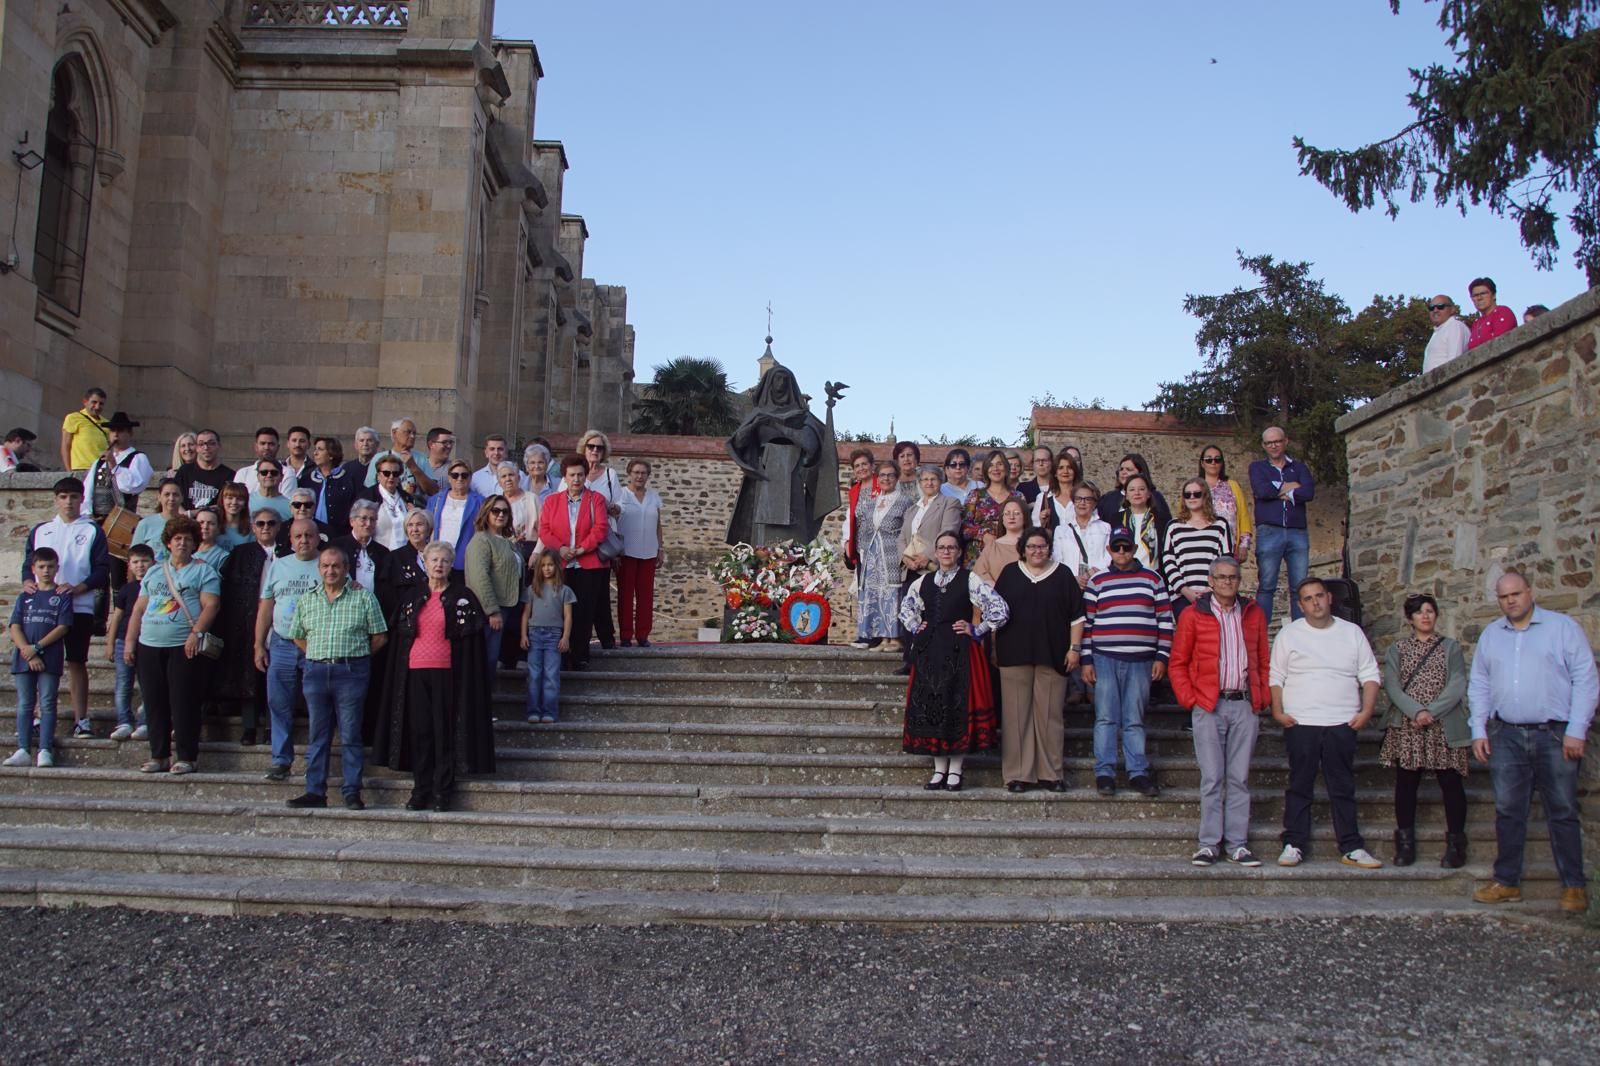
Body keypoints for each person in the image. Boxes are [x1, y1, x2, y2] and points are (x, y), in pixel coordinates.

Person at [1468, 571, 1597, 913]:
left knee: (1564, 809)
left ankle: (1573, 885)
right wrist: (1478, 729)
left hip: (1554, 734)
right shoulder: (1492, 635)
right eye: (1503, 596)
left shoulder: (1562, 628)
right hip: (1506, 733)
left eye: (1516, 594)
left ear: (1530, 592)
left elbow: (1585, 677)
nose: (1510, 601)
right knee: (1508, 809)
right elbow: (1479, 682)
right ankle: (1507, 881)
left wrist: (1577, 728)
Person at [373, 541, 496, 812]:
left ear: (451, 565)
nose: (438, 565)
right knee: (420, 732)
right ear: (425, 564)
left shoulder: (463, 596)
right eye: (434, 560)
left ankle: (442, 792)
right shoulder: (412, 595)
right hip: (415, 672)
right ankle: (421, 789)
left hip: (448, 673)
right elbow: (400, 637)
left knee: (444, 732)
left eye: (444, 560)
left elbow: (472, 643)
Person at [1270, 577, 1383, 869]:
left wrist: (1367, 710)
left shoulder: (1351, 632)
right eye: (1308, 598)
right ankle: (1293, 843)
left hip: (1341, 720)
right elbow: (1276, 676)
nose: (1315, 602)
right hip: (1302, 721)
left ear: (1329, 597)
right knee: (1300, 784)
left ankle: (1351, 846)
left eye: (1319, 596)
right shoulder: (1290, 634)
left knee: (1342, 786)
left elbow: (1370, 675)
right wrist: (1278, 711)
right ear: (1300, 604)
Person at [1168, 556, 1270, 867]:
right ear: (1211, 581)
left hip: (1243, 704)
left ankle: (1238, 844)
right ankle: (1209, 843)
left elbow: (1263, 659)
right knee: (1212, 777)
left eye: (1233, 577)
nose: (1227, 582)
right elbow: (1178, 662)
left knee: (1239, 777)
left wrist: (1261, 698)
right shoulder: (1192, 615)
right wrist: (1191, 699)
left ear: (1239, 581)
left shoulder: (1253, 614)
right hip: (1209, 704)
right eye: (1221, 577)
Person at [900, 531, 1009, 792]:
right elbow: (905, 609)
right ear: (936, 553)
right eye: (942, 548)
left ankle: (956, 771)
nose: (946, 552)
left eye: (951, 548)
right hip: (929, 653)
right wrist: (917, 626)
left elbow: (1000, 608)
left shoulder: (969, 579)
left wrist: (978, 629)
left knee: (955, 705)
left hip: (959, 652)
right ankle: (939, 770)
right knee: (933, 707)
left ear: (959, 552)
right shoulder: (923, 582)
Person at [284, 546, 388, 811]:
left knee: (351, 734)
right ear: (319, 569)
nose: (330, 571)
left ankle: (352, 791)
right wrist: (320, 655)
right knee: (318, 734)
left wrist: (355, 657)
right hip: (316, 672)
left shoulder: (363, 598)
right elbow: (297, 634)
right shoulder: (308, 599)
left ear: (346, 569)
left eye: (336, 566)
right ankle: (314, 791)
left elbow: (379, 636)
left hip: (350, 672)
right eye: (326, 566)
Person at [123, 515, 221, 775]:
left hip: (182, 644)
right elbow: (138, 609)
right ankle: (159, 754)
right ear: (168, 543)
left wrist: (196, 633)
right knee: (154, 702)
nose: (182, 543)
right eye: (177, 539)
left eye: (188, 539)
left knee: (183, 701)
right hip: (149, 644)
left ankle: (187, 756)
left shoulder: (203, 570)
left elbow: (211, 604)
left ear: (195, 543)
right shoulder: (155, 571)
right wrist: (130, 642)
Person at [1379, 593, 1470, 869]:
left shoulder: (1450, 647)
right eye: (1419, 612)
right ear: (1410, 618)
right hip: (1409, 724)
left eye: (1430, 611)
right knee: (1406, 783)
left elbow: (1457, 682)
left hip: (1443, 724)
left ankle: (1456, 843)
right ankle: (1405, 843)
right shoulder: (1398, 649)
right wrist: (1416, 711)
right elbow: (1392, 685)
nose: (1426, 616)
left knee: (1451, 783)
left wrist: (1433, 710)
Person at [1081, 527, 1173, 797]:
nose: (1122, 552)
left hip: (1141, 659)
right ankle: (1105, 772)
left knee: (1134, 719)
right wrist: (1086, 660)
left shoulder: (1152, 579)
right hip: (1105, 657)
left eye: (1127, 547)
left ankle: (1138, 771)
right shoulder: (1098, 583)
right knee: (1106, 717)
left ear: (1134, 549)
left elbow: (1165, 621)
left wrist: (1162, 656)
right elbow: (1087, 624)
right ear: (1109, 550)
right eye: (1117, 547)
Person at [993, 529, 1085, 792]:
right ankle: (1017, 774)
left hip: (1053, 653)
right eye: (1031, 547)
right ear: (1023, 549)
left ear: (1049, 548)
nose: (1037, 551)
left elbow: (1077, 617)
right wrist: (993, 646)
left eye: (1042, 546)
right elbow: (995, 612)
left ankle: (1051, 773)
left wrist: (1074, 649)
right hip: (1014, 653)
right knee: (1016, 716)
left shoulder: (1063, 574)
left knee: (1049, 716)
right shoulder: (1010, 573)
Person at [22, 478, 109, 739]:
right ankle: (39, 716)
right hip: (43, 607)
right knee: (42, 662)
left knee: (76, 661)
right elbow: (29, 563)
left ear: (81, 499)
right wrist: (27, 580)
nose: (68, 502)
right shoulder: (42, 530)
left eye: (73, 496)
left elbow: (103, 569)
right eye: (62, 497)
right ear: (55, 499)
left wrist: (80, 587)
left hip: (77, 605)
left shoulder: (93, 530)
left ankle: (81, 719)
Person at [255, 518, 325, 783]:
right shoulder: (279, 565)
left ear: (317, 538)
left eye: (309, 535)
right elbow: (266, 607)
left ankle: (314, 761)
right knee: (278, 703)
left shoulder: (327, 563)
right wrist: (259, 644)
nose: (304, 540)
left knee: (317, 706)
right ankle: (280, 759)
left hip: (315, 646)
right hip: (282, 644)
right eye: (298, 536)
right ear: (291, 539)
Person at [215, 509, 284, 746]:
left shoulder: (287, 554)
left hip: (280, 622)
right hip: (246, 622)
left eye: (271, 523)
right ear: (253, 527)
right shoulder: (240, 554)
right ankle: (250, 726)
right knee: (249, 675)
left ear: (279, 526)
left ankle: (271, 726)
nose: (266, 527)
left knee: (276, 678)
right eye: (260, 523)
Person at [4, 548, 74, 768]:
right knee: (25, 704)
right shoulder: (25, 596)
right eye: (41, 567)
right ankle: (23, 749)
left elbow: (62, 627)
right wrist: (27, 650)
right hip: (24, 657)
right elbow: (15, 626)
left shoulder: (61, 596)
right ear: (33, 569)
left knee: (47, 703)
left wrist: (37, 648)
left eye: (50, 566)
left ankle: (45, 749)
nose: (46, 571)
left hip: (49, 657)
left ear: (56, 568)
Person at [538, 453, 609, 670]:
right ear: (565, 477)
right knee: (558, 610)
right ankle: (559, 656)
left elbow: (601, 529)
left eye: (580, 475)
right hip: (561, 564)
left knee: (584, 612)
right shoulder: (552, 501)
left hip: (588, 564)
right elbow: (545, 530)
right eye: (572, 475)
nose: (576, 479)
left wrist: (580, 549)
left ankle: (580, 656)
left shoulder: (595, 499)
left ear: (585, 476)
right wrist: (561, 549)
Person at [1249, 426, 1315, 626]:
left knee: (1299, 586)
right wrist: (1292, 487)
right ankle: (1260, 632)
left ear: (1285, 441)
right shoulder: (1257, 467)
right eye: (1269, 443)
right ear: (1263, 445)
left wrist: (1280, 490)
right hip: (1269, 530)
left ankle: (1300, 630)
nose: (1274, 446)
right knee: (1267, 584)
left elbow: (1309, 492)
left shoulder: (1299, 468)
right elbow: (1262, 490)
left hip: (1297, 531)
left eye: (1277, 441)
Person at [852, 462, 910, 653]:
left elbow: (908, 531)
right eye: (883, 475)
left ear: (897, 478)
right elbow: (863, 529)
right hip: (871, 554)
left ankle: (895, 638)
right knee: (874, 594)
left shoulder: (904, 501)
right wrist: (861, 553)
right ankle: (882, 637)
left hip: (892, 553)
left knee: (891, 595)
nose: (886, 479)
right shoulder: (872, 502)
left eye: (891, 475)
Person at [464, 493, 522, 681]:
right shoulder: (481, 540)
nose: (500, 514)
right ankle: (481, 707)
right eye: (495, 510)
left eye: (505, 511)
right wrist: (492, 611)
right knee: (487, 660)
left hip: (512, 607)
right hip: (492, 610)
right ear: (486, 513)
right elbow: (479, 577)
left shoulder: (506, 542)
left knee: (497, 659)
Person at [1162, 477, 1234, 620]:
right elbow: (1168, 561)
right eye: (1187, 494)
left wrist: (1212, 588)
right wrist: (1184, 590)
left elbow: (1226, 560)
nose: (1192, 497)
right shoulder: (1174, 526)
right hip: (1182, 596)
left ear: (1205, 495)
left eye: (1197, 494)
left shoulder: (1220, 525)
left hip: (1214, 594)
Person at [106, 543, 155, 742]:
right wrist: (110, 642)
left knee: (146, 685)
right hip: (121, 640)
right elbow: (117, 617)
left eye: (144, 561)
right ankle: (124, 721)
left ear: (153, 562)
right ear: (129, 565)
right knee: (123, 684)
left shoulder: (155, 587)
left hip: (147, 640)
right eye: (135, 562)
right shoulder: (126, 590)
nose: (140, 566)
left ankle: (144, 722)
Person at [580, 429, 623, 650]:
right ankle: (582, 636)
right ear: (584, 449)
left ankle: (606, 635)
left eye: (599, 447)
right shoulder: (575, 471)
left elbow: (618, 507)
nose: (595, 451)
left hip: (602, 539)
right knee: (580, 592)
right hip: (578, 539)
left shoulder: (610, 475)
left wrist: (608, 506)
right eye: (591, 447)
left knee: (600, 590)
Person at [522, 550, 575, 723]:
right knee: (534, 674)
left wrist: (565, 637)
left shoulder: (564, 590)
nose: (547, 568)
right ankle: (533, 710)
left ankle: (549, 712)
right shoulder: (532, 589)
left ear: (557, 567)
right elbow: (525, 614)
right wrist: (523, 634)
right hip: (535, 634)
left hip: (554, 636)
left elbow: (567, 616)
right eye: (543, 565)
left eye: (550, 565)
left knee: (551, 675)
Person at [616, 459, 665, 648]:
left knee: (645, 596)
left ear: (648, 476)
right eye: (636, 472)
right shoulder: (621, 494)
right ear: (629, 474)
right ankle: (626, 635)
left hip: (649, 552)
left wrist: (660, 548)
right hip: (627, 552)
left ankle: (643, 634)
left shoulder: (654, 497)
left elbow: (658, 524)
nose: (639, 476)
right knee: (626, 595)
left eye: (643, 473)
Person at [80, 411, 153, 520]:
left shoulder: (138, 458)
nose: (116, 434)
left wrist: (114, 465)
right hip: (97, 519)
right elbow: (87, 490)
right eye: (113, 431)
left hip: (122, 521)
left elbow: (133, 486)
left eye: (120, 430)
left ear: (130, 434)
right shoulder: (99, 462)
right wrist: (87, 514)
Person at [960, 450, 1024, 568]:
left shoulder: (1018, 496)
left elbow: (1025, 526)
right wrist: (983, 535)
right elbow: (964, 526)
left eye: (999, 464)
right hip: (978, 553)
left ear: (1006, 467)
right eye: (991, 465)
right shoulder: (975, 495)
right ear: (986, 469)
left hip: (1009, 552)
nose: (995, 468)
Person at [426, 458, 483, 575]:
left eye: (464, 475)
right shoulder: (435, 500)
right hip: (438, 560)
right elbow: (428, 527)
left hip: (464, 560)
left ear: (470, 477)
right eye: (455, 475)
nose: (460, 478)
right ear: (449, 477)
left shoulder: (480, 502)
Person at [1197, 447, 1252, 564]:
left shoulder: (1233, 486)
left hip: (1229, 547)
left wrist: (1244, 544)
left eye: (1217, 459)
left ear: (1222, 463)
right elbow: (1184, 515)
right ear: (1202, 463)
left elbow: (1243, 516)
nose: (1213, 463)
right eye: (1209, 460)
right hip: (1201, 546)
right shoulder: (1194, 487)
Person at [1052, 481, 1111, 585]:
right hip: (1070, 583)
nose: (1082, 503)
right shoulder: (1061, 530)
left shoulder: (1105, 528)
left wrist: (1092, 574)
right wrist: (1073, 578)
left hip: (1098, 581)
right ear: (1073, 501)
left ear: (1095, 503)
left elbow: (1108, 556)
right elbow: (1057, 559)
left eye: (1088, 499)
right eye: (1078, 499)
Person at [1095, 453, 1172, 529]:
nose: (1123, 472)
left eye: (1129, 469)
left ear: (1141, 472)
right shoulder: (1108, 499)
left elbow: (1165, 524)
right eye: (1121, 469)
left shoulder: (1155, 496)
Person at [364, 418, 435, 497]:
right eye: (408, 432)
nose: (412, 436)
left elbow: (433, 491)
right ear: (394, 433)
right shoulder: (379, 458)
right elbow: (369, 489)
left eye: (414, 433)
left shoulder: (422, 458)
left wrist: (413, 467)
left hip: (415, 506)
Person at [1114, 473, 1167, 574]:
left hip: (1153, 575)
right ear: (1126, 495)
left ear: (1148, 494)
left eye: (1142, 489)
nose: (1137, 493)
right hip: (1124, 576)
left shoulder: (1161, 519)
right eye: (1132, 490)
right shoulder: (1116, 519)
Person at [307, 435, 359, 538]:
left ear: (331, 455)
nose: (315, 453)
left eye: (320, 449)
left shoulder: (348, 480)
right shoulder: (306, 479)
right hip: (310, 534)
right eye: (315, 449)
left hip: (339, 535)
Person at [174, 428, 235, 513]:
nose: (206, 448)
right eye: (201, 444)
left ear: (219, 446)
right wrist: (186, 516)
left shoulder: (229, 475)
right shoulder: (185, 471)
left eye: (211, 443)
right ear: (197, 448)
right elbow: (174, 498)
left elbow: (226, 505)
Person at [973, 498, 1026, 585]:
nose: (1011, 517)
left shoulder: (1033, 545)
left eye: (1016, 513)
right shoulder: (992, 546)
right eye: (1007, 513)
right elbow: (979, 571)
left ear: (1025, 517)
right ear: (1002, 518)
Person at [132, 479, 187, 560]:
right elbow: (134, 556)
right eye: (167, 494)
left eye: (175, 495)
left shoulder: (188, 525)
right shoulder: (145, 524)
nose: (171, 498)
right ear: (159, 497)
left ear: (182, 498)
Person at [1030, 452, 1081, 537]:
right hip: (1053, 548)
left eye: (1069, 467)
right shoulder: (1043, 498)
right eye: (1061, 468)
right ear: (1055, 473)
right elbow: (1035, 529)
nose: (1065, 471)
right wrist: (1042, 522)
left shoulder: (1083, 497)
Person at [841, 448, 875, 573]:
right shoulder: (855, 491)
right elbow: (850, 518)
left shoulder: (882, 484)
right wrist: (846, 542)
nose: (861, 468)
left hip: (879, 548)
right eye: (857, 466)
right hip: (860, 548)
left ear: (872, 465)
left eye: (864, 464)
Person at [60, 386, 109, 473]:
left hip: (101, 469)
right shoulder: (73, 418)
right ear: (85, 402)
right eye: (94, 402)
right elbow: (65, 446)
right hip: (81, 468)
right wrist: (68, 471)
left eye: (101, 404)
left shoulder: (107, 423)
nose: (97, 407)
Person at [1421, 294, 1471, 374]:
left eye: (1440, 306)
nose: (1435, 310)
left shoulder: (1454, 326)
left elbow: (1454, 361)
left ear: (1452, 309)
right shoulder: (1438, 331)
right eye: (1431, 308)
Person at [1466, 276, 1517, 349]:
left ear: (1493, 295)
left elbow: (1501, 344)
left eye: (1483, 293)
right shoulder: (1476, 323)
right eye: (1475, 295)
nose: (1479, 298)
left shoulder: (1503, 312)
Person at [232, 427, 280, 494]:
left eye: (271, 444)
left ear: (278, 447)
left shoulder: (287, 473)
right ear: (256, 447)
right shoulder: (243, 473)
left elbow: (286, 501)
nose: (267, 448)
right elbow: (237, 498)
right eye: (263, 443)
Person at [248, 458, 292, 524]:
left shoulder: (290, 506)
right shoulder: (246, 500)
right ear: (258, 476)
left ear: (281, 477)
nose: (269, 475)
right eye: (264, 472)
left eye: (274, 473)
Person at [215, 484, 252, 550]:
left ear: (245, 503)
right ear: (222, 501)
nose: (234, 502)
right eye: (230, 498)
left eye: (239, 499)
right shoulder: (213, 525)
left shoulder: (251, 530)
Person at [281, 425, 312, 490]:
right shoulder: (280, 468)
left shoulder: (315, 469)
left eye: (302, 441)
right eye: (294, 440)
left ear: (309, 444)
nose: (297, 444)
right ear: (288, 444)